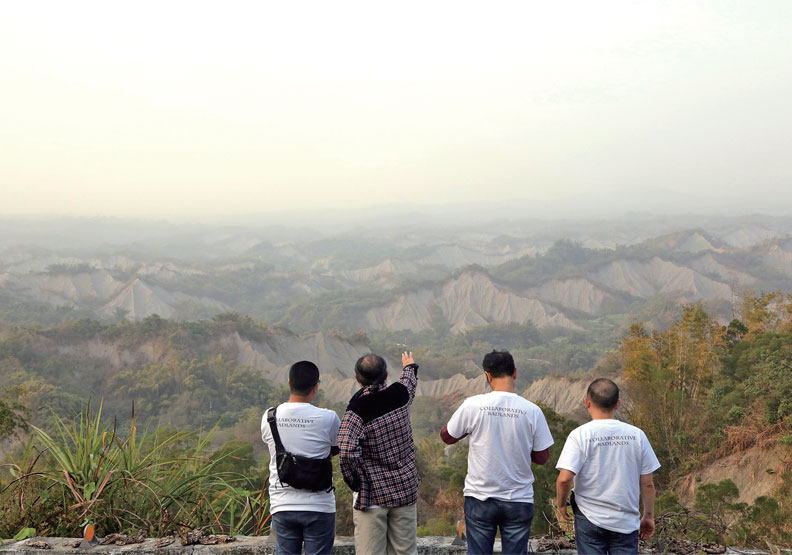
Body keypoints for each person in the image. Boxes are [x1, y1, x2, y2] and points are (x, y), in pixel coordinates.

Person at [441, 350, 554, 555]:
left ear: (488, 376)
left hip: (480, 498)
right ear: (515, 373)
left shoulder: (473, 405)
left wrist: (470, 429)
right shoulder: (532, 411)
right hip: (519, 499)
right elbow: (542, 457)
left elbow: (447, 436)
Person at [556, 378, 660, 555]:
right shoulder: (637, 435)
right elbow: (648, 484)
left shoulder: (579, 436)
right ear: (618, 404)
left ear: (587, 402)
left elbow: (565, 479)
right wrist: (648, 516)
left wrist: (561, 504)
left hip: (589, 518)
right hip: (626, 522)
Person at [337, 352, 420, 555]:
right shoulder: (400, 395)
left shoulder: (357, 410)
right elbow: (409, 382)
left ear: (357, 378)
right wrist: (409, 367)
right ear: (386, 374)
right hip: (404, 491)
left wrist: (355, 481)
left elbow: (346, 450)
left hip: (372, 495)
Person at [261, 360, 341, 555]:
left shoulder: (269, 416)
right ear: (316, 387)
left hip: (282, 505)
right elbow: (335, 448)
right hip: (319, 506)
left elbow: (273, 447)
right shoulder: (329, 418)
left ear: (289, 383)